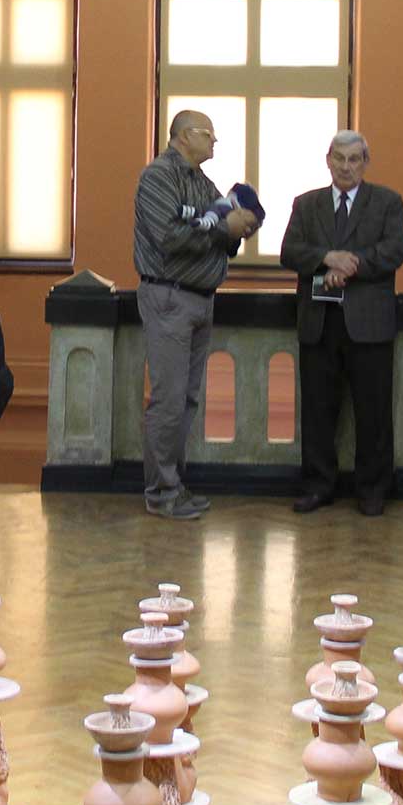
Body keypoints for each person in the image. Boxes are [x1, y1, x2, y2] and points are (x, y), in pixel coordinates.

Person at [131, 110, 258, 522]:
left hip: (201, 299)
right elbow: (170, 237)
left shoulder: (204, 184)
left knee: (186, 400)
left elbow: (220, 230)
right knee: (168, 400)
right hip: (169, 296)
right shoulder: (158, 176)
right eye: (209, 134)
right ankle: (161, 492)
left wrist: (242, 225)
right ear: (185, 136)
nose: (214, 141)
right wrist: (223, 228)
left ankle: (174, 485)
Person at [282, 131, 403, 516]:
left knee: (373, 412)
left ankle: (372, 489)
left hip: (369, 324)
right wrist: (327, 258)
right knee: (318, 411)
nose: (346, 166)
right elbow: (290, 252)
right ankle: (318, 485)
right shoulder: (306, 204)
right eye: (340, 158)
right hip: (319, 323)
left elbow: (394, 250)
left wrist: (351, 265)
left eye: (354, 159)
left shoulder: (387, 202)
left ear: (365, 163)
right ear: (328, 160)